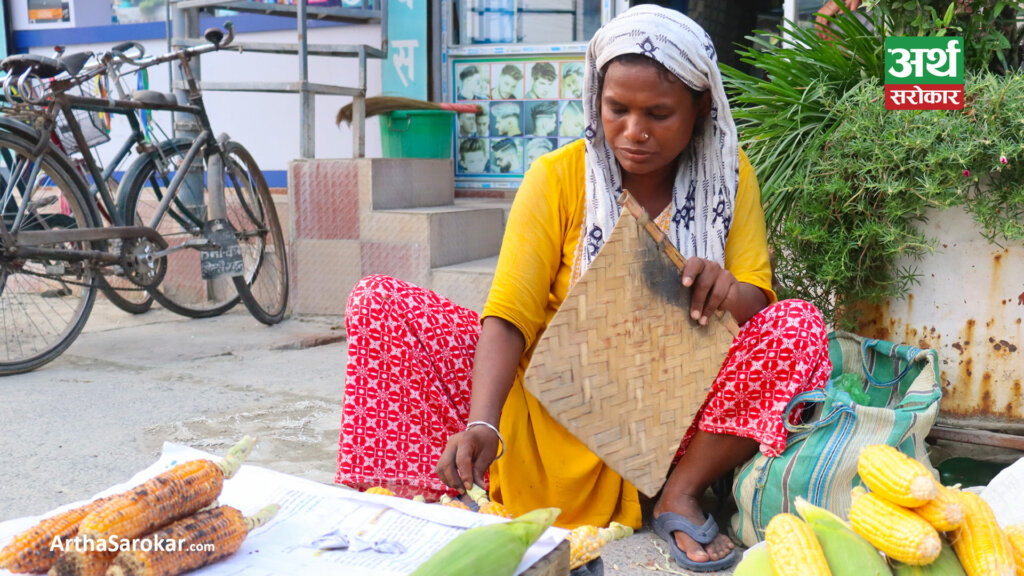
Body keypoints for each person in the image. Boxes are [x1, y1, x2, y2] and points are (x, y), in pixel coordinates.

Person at [335, 6, 831, 573]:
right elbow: (509, 314)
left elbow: (757, 302)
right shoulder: (557, 177)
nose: (634, 131)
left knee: (797, 327)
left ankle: (681, 492)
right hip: (552, 401)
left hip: (668, 416)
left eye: (659, 114)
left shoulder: (730, 176)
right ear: (597, 98)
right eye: (617, 109)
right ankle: (409, 501)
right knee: (381, 302)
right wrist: (484, 422)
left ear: (700, 108)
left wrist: (726, 292)